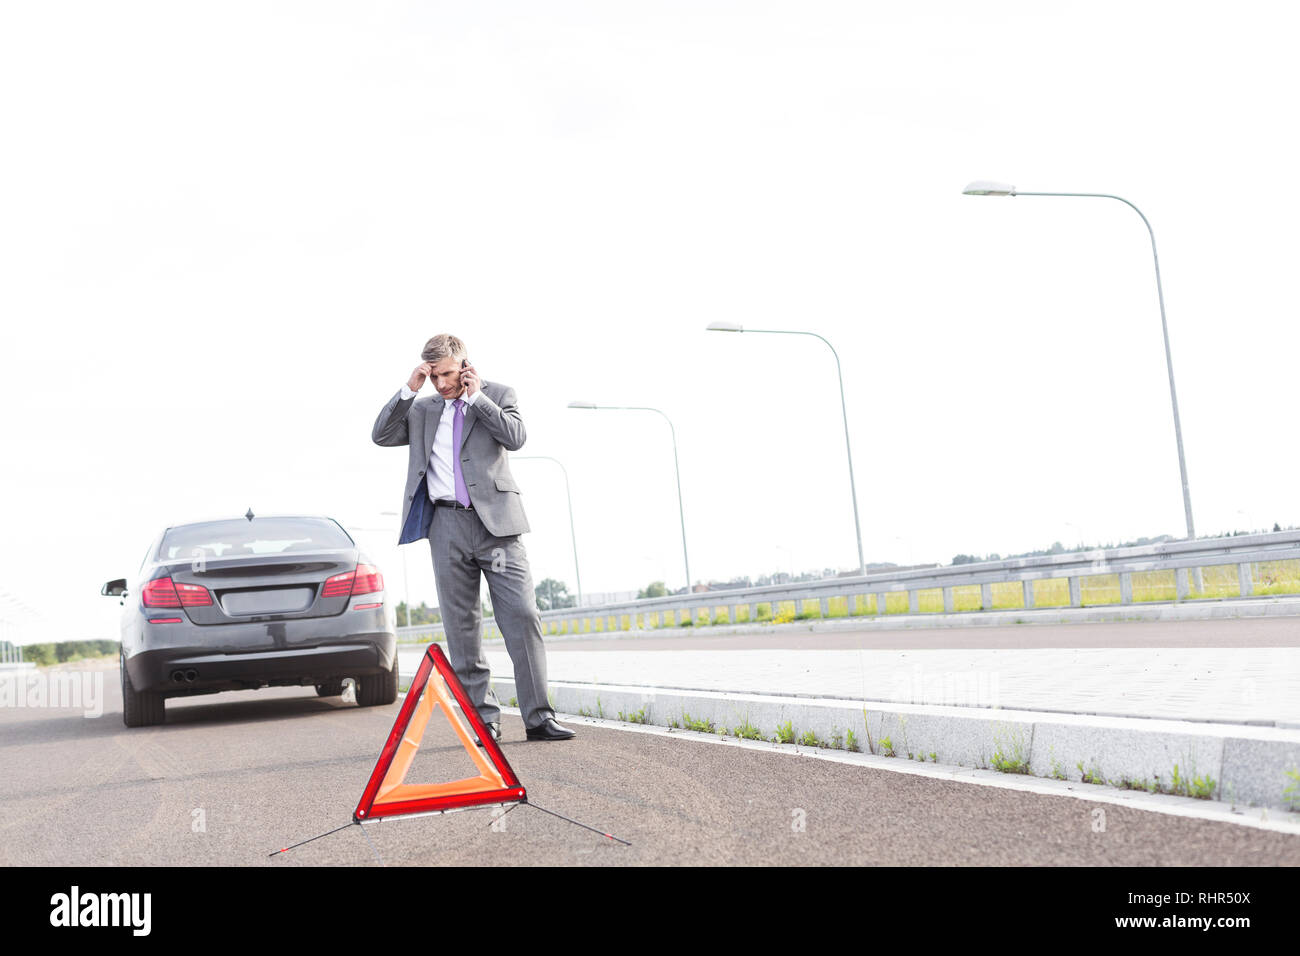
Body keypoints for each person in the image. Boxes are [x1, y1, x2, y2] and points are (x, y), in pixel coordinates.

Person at [371, 333, 575, 743]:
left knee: (522, 616)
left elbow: (515, 437)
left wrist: (478, 398)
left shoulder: (497, 394)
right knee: (461, 628)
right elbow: (381, 435)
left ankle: (538, 716)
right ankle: (484, 719)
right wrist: (408, 390)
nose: (441, 384)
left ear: (463, 365)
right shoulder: (422, 408)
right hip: (445, 527)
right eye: (433, 377)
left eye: (447, 374)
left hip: (496, 527)